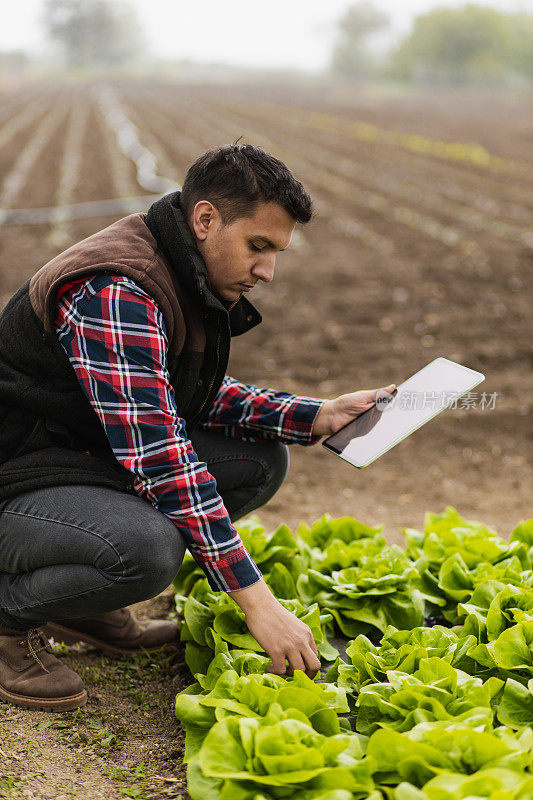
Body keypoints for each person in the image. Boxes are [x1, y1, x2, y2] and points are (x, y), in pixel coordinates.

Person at [0, 144, 395, 711]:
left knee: (259, 460)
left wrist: (313, 416)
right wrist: (258, 603)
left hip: (67, 454)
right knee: (144, 550)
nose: (268, 271)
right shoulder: (117, 290)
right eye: (258, 246)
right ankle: (9, 618)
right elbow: (160, 455)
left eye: (276, 252)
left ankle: (77, 601)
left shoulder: (181, 267)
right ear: (205, 219)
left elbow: (177, 395)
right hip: (15, 474)